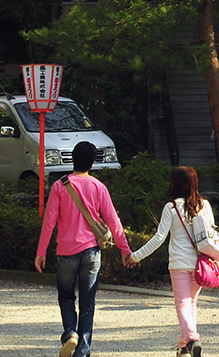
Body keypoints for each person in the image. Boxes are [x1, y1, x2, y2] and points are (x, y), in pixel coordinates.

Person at [35, 141, 134, 357]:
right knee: (88, 303)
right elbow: (113, 221)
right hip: (91, 252)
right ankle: (83, 351)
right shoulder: (99, 187)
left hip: (66, 251)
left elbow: (49, 222)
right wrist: (124, 250)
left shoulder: (60, 186)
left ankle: (70, 332)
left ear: (72, 158)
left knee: (66, 296)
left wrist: (41, 252)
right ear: (93, 162)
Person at [128, 166, 217, 357]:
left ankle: (192, 339)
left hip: (178, 264)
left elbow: (159, 238)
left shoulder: (171, 207)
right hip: (201, 264)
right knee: (191, 303)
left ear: (175, 184)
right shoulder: (205, 205)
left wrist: (135, 256)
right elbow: (213, 236)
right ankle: (183, 346)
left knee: (183, 304)